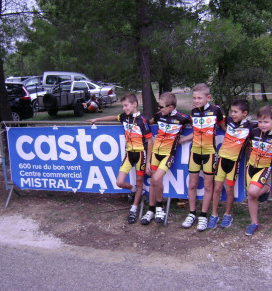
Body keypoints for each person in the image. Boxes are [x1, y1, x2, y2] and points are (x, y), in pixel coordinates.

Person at [208, 100, 272, 230]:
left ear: (245, 113)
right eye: (232, 111)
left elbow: (269, 123)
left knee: (229, 190)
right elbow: (218, 118)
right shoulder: (229, 120)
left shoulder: (251, 126)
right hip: (221, 160)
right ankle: (214, 215)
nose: (233, 114)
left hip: (234, 162)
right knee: (217, 188)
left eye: (236, 112)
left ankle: (227, 214)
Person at [87, 93, 154, 224]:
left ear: (134, 104)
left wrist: (148, 163)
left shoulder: (143, 120)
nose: (124, 108)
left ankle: (133, 209)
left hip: (141, 154)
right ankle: (133, 189)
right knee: (119, 182)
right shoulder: (124, 117)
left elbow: (150, 141)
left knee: (140, 182)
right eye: (123, 106)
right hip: (129, 154)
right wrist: (97, 120)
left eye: (126, 105)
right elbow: (113, 117)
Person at [178, 83, 226, 231]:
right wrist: (183, 139)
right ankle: (192, 213)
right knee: (192, 185)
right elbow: (196, 131)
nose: (197, 101)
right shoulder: (194, 112)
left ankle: (204, 215)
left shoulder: (216, 110)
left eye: (200, 98)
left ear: (208, 97)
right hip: (195, 153)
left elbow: (225, 128)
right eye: (194, 98)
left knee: (207, 186)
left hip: (209, 153)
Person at [140, 92, 191, 225]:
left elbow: (200, 129)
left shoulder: (182, 118)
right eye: (158, 106)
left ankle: (160, 207)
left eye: (161, 106)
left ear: (171, 107)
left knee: (156, 178)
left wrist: (183, 139)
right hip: (155, 153)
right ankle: (151, 210)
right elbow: (147, 123)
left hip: (168, 154)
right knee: (152, 181)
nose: (159, 109)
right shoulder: (158, 115)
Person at [244, 105, 272, 236]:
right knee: (251, 195)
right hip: (250, 166)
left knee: (253, 191)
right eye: (260, 121)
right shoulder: (254, 131)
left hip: (264, 168)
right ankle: (254, 223)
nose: (262, 124)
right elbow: (248, 145)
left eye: (266, 121)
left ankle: (267, 188)